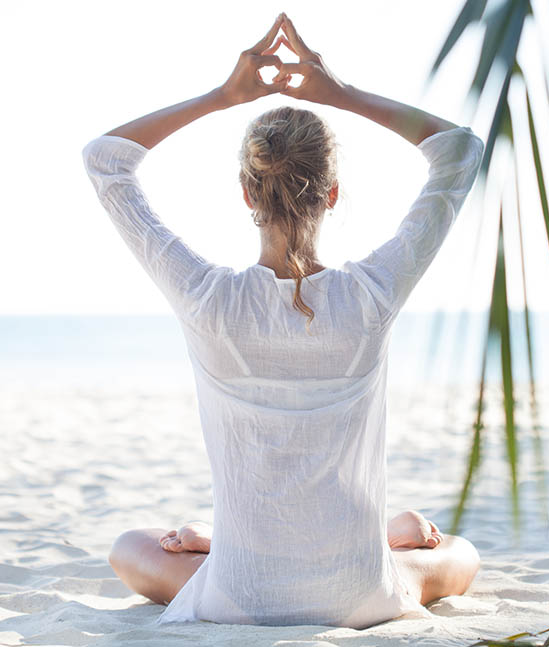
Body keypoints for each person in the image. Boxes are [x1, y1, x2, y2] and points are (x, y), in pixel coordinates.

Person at [82, 12, 485, 630]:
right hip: (361, 594)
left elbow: (106, 159)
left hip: (241, 596)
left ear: (247, 193)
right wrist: (337, 93)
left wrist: (222, 97)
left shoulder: (205, 298)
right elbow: (459, 151)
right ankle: (383, 534)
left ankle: (224, 540)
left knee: (129, 548)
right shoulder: (373, 294)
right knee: (461, 555)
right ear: (331, 193)